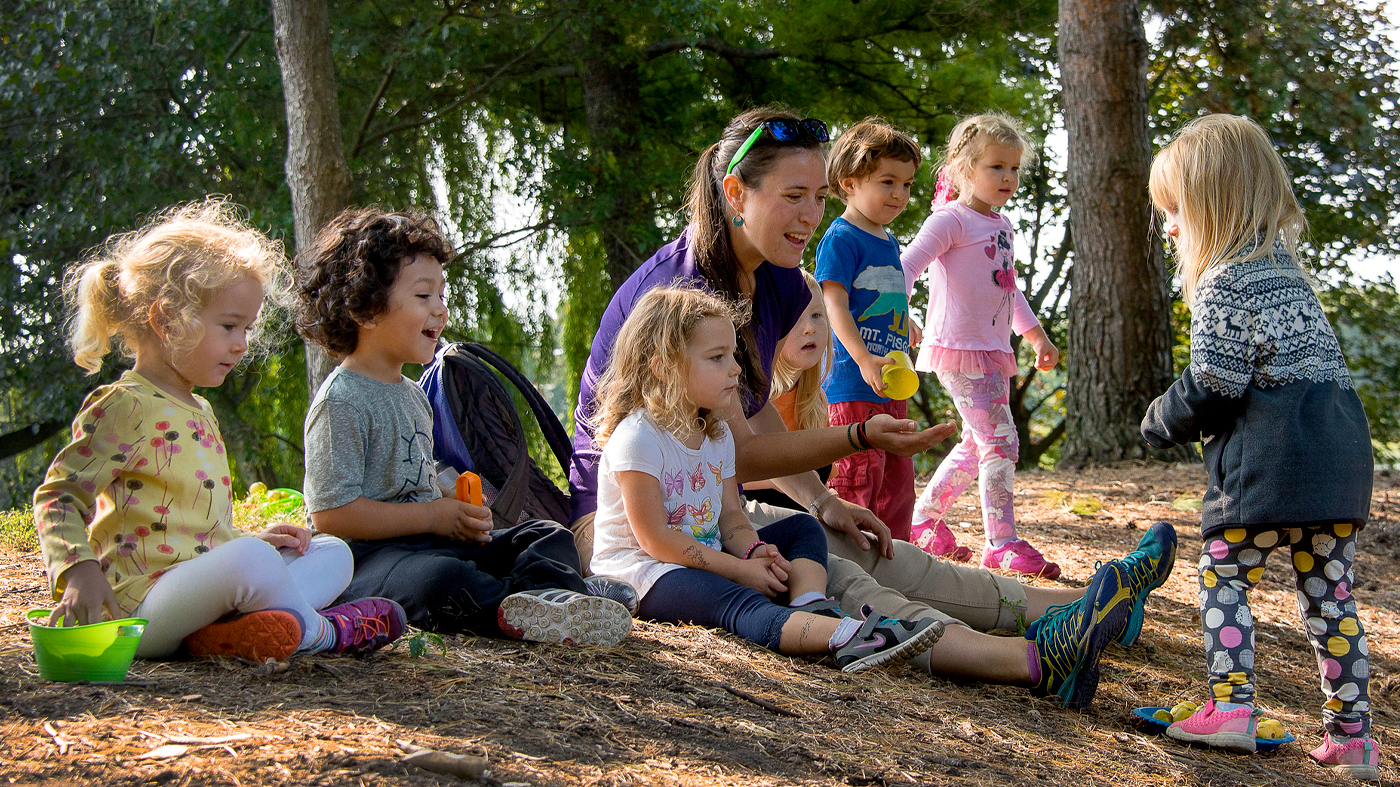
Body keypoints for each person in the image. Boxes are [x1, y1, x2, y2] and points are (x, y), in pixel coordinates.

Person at [567, 107, 1174, 708]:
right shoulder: (687, 296)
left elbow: (751, 419)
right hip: (645, 530)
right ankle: (1030, 660)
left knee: (885, 553)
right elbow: (742, 454)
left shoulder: (773, 275)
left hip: (704, 506)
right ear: (735, 193)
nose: (812, 218)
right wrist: (861, 437)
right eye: (794, 197)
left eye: (821, 198)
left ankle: (1096, 610)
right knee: (843, 574)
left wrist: (825, 501)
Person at [32, 199, 405, 663]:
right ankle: (321, 633)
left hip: (199, 598)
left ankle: (227, 634)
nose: (241, 344)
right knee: (254, 562)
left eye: (246, 328)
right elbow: (58, 497)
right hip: (142, 609)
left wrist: (243, 541)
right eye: (229, 326)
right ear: (167, 320)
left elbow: (197, 524)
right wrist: (79, 569)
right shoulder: (124, 405)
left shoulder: (200, 408)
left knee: (331, 553)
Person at [1142, 114, 1378, 778]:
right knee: (1330, 595)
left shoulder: (1224, 281)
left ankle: (1232, 705)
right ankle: (1353, 738)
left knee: (1223, 572)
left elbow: (1216, 381)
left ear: (1210, 205)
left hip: (1270, 466)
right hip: (1338, 463)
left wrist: (1163, 418)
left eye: (1175, 212)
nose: (1169, 227)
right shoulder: (1293, 278)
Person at [294, 208, 631, 647]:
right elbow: (331, 515)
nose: (441, 310)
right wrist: (432, 516)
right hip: (367, 560)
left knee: (544, 534)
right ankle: (531, 605)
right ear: (365, 309)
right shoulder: (341, 401)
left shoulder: (412, 394)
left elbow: (414, 478)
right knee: (441, 579)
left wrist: (454, 505)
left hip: (425, 541)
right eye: (423, 297)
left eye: (441, 295)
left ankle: (557, 595)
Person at [589, 285, 940, 672]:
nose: (736, 369)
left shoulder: (716, 433)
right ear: (664, 367)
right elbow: (656, 540)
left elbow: (731, 518)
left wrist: (753, 550)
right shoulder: (638, 439)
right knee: (736, 599)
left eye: (733, 355)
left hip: (705, 553)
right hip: (646, 571)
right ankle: (844, 637)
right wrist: (741, 570)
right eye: (717, 358)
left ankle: (811, 604)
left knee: (804, 529)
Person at [901, 113, 1062, 578]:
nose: (1008, 177)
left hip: (991, 349)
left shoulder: (1002, 224)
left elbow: (1008, 288)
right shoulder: (950, 220)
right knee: (1001, 441)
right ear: (963, 168)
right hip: (959, 347)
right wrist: (904, 314)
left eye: (1013, 169)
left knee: (978, 442)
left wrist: (1035, 336)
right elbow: (906, 268)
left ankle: (924, 521)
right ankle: (1002, 542)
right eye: (996, 167)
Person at [815, 119, 922, 542]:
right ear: (849, 182)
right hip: (853, 386)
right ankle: (855, 565)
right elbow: (833, 303)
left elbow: (878, 295)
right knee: (859, 480)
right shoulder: (842, 237)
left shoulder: (888, 239)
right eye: (888, 182)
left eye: (908, 184)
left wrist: (904, 318)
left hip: (892, 383)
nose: (900, 194)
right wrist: (862, 359)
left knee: (898, 482)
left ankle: (899, 559)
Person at [741, 270, 832, 512]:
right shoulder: (752, 398)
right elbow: (725, 472)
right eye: (795, 318)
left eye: (816, 315)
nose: (809, 328)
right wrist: (782, 480)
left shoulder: (817, 401)